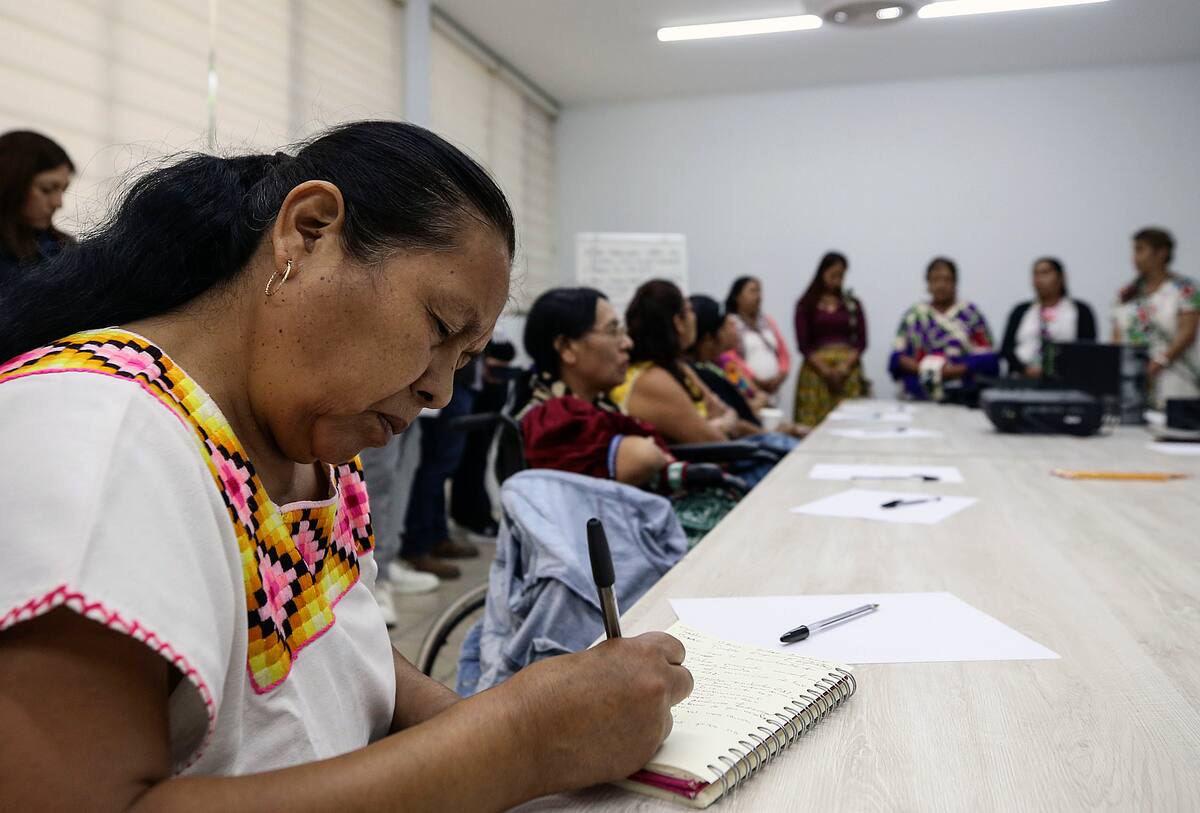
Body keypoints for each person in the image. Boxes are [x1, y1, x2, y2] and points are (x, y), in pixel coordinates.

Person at [0, 121, 691, 810]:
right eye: (441, 327)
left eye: (465, 360)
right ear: (308, 229)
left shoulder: (311, 444)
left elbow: (344, 665)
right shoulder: (98, 433)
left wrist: (548, 732)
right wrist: (521, 739)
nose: (440, 392)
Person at [519, 287, 738, 545]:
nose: (627, 343)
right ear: (567, 347)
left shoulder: (598, 405)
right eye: (613, 331)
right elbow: (642, 457)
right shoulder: (550, 419)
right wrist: (652, 451)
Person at [612, 280, 743, 444]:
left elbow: (725, 412)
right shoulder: (652, 379)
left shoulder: (677, 367)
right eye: (689, 311)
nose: (694, 317)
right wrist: (723, 424)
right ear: (678, 323)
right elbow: (716, 443)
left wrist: (719, 423)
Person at [688, 294, 809, 439]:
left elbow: (752, 396)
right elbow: (735, 418)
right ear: (710, 337)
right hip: (749, 444)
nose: (736, 330)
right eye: (730, 325)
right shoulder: (702, 372)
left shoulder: (726, 363)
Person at [889, 257, 999, 402]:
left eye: (947, 279)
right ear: (928, 284)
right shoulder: (914, 315)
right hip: (919, 396)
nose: (941, 285)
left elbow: (989, 358)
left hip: (963, 396)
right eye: (935, 280)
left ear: (955, 283)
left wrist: (952, 371)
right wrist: (931, 372)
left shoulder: (970, 314)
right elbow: (898, 357)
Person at [1112, 228, 1200, 407]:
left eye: (1140, 249)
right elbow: (1117, 335)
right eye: (1134, 250)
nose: (1134, 257)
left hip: (1174, 377)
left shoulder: (1185, 289)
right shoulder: (1127, 293)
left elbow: (1188, 332)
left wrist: (1158, 363)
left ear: (1161, 253)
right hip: (1133, 382)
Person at [792, 252, 869, 425]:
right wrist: (826, 370)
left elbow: (861, 342)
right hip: (816, 374)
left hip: (847, 373)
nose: (837, 280)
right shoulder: (806, 304)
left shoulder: (852, 305)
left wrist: (843, 368)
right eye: (833, 275)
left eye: (841, 276)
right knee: (813, 425)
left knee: (850, 423)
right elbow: (803, 344)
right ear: (822, 273)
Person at [1000, 257, 1098, 379]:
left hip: (1066, 380)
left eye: (1045, 273)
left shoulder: (1080, 311)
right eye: (1035, 274)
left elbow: (1088, 349)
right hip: (1022, 378)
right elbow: (1006, 348)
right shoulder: (1021, 311)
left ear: (1061, 277)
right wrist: (1025, 369)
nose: (1039, 280)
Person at [0, 130, 74, 275]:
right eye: (46, 189)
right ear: (11, 185)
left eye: (63, 190)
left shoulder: (63, 249)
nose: (58, 203)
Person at [723, 276, 791, 406]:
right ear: (737, 296)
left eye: (759, 291)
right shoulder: (731, 323)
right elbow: (729, 357)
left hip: (773, 389)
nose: (758, 296)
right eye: (752, 291)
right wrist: (755, 380)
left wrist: (781, 374)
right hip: (747, 389)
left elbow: (783, 352)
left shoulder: (767, 321)